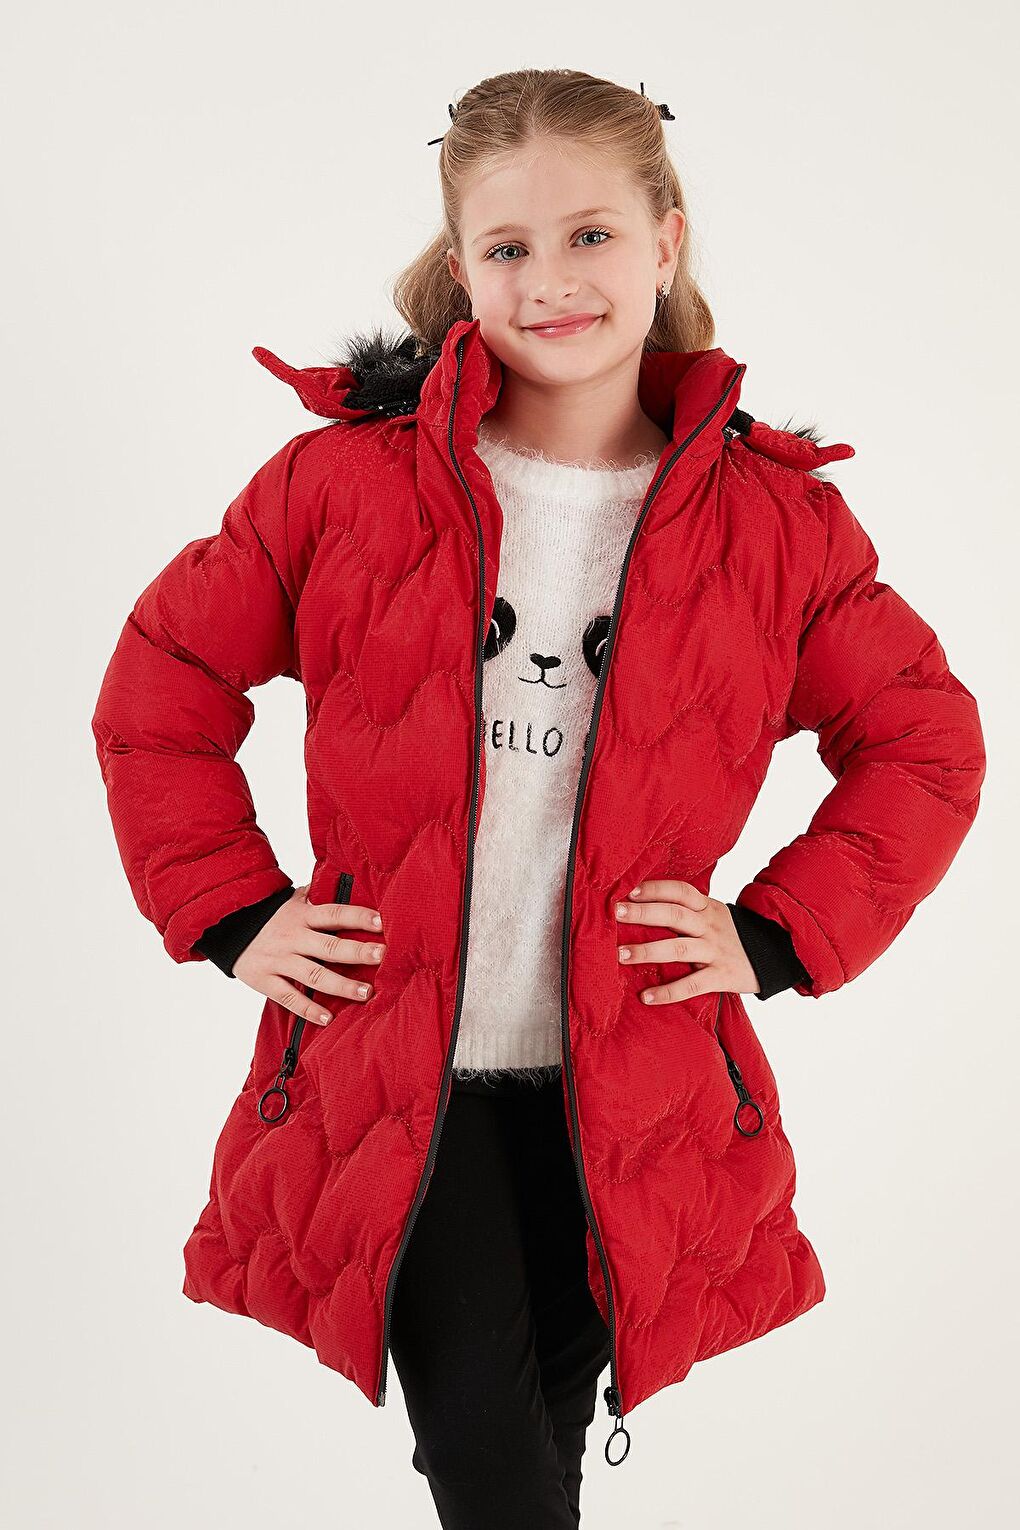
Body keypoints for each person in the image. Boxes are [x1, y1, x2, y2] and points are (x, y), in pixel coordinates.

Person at [91, 68, 986, 1530]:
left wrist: (774, 936)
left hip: (626, 1083)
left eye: (591, 236)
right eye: (508, 247)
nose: (552, 280)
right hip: (399, 1077)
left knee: (542, 1457)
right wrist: (234, 912)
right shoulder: (344, 488)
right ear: (461, 269)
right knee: (495, 1471)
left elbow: (925, 742)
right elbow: (163, 683)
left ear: (666, 243)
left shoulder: (776, 526)